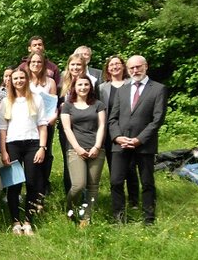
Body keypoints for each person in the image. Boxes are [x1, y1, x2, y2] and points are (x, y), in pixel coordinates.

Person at [109, 55, 167, 225]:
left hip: (144, 145)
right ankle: (119, 218)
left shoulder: (158, 89)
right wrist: (117, 137)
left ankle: (148, 219)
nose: (135, 71)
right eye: (132, 68)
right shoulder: (122, 90)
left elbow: (157, 119)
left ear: (146, 67)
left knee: (147, 182)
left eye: (138, 67)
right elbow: (113, 118)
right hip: (121, 144)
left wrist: (139, 139)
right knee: (116, 181)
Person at [0, 69, 48, 235]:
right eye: (15, 78)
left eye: (21, 78)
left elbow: (42, 125)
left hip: (33, 144)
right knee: (14, 185)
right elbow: (2, 129)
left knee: (32, 183)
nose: (18, 81)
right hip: (12, 145)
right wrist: (3, 151)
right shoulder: (6, 102)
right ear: (10, 81)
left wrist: (42, 147)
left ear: (26, 80)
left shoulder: (36, 99)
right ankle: (15, 221)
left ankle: (28, 221)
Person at [60, 74, 106, 227]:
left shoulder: (98, 104)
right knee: (78, 185)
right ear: (74, 87)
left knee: (93, 187)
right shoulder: (67, 105)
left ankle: (86, 218)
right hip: (75, 150)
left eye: (86, 84)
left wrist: (97, 147)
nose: (83, 87)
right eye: (80, 85)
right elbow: (67, 128)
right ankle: (70, 210)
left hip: (96, 149)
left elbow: (102, 127)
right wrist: (78, 148)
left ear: (90, 87)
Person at [99, 55, 139, 208]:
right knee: (115, 167)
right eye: (111, 65)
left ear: (123, 67)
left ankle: (134, 200)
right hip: (111, 132)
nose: (114, 67)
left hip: (130, 131)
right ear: (107, 69)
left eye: (117, 64)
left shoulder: (132, 84)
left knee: (131, 167)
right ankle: (118, 198)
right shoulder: (103, 88)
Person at [26, 50, 58, 198]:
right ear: (28, 64)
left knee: (45, 154)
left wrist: (53, 118)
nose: (36, 64)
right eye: (33, 62)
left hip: (45, 124)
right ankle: (29, 187)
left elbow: (53, 104)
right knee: (29, 156)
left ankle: (42, 187)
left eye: (39, 62)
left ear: (43, 64)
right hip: (27, 125)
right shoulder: (24, 81)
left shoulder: (50, 82)